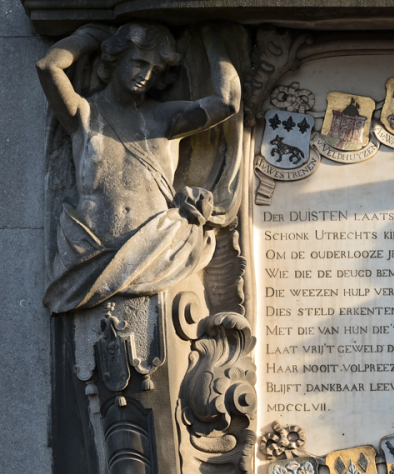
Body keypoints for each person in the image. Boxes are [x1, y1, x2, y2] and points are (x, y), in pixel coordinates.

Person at [37, 21, 241, 314]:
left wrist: (210, 34)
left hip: (155, 250)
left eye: (155, 70)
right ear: (115, 58)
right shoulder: (83, 115)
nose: (146, 75)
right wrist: (92, 37)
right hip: (88, 257)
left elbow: (227, 102)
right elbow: (48, 66)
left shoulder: (164, 118)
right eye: (138, 63)